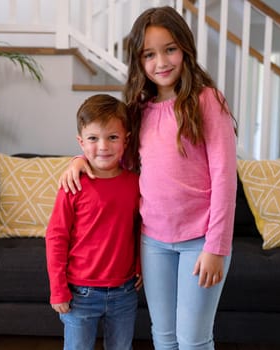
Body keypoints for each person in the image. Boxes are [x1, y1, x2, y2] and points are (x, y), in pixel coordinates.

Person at [59, 6, 237, 350]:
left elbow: (225, 179)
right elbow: (114, 156)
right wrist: (81, 160)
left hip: (201, 241)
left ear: (185, 48)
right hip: (153, 242)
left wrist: (216, 247)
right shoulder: (138, 110)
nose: (161, 62)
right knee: (164, 336)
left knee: (194, 340)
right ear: (139, 61)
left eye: (170, 49)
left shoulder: (207, 101)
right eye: (149, 54)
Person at [45, 94, 142, 350]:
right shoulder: (72, 185)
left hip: (124, 291)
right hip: (80, 294)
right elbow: (56, 237)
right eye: (93, 138)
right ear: (81, 142)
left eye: (112, 137)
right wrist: (58, 289)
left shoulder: (135, 184)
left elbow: (140, 229)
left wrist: (140, 265)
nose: (103, 146)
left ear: (126, 139)